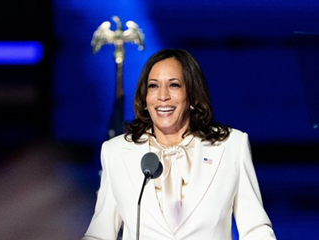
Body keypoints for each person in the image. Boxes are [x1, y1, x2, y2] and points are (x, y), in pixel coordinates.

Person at [83, 48, 276, 239]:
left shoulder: (231, 146)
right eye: (153, 86)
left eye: (174, 85)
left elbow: (255, 230)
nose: (162, 96)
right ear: (144, 98)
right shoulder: (116, 152)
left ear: (192, 96)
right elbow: (99, 234)